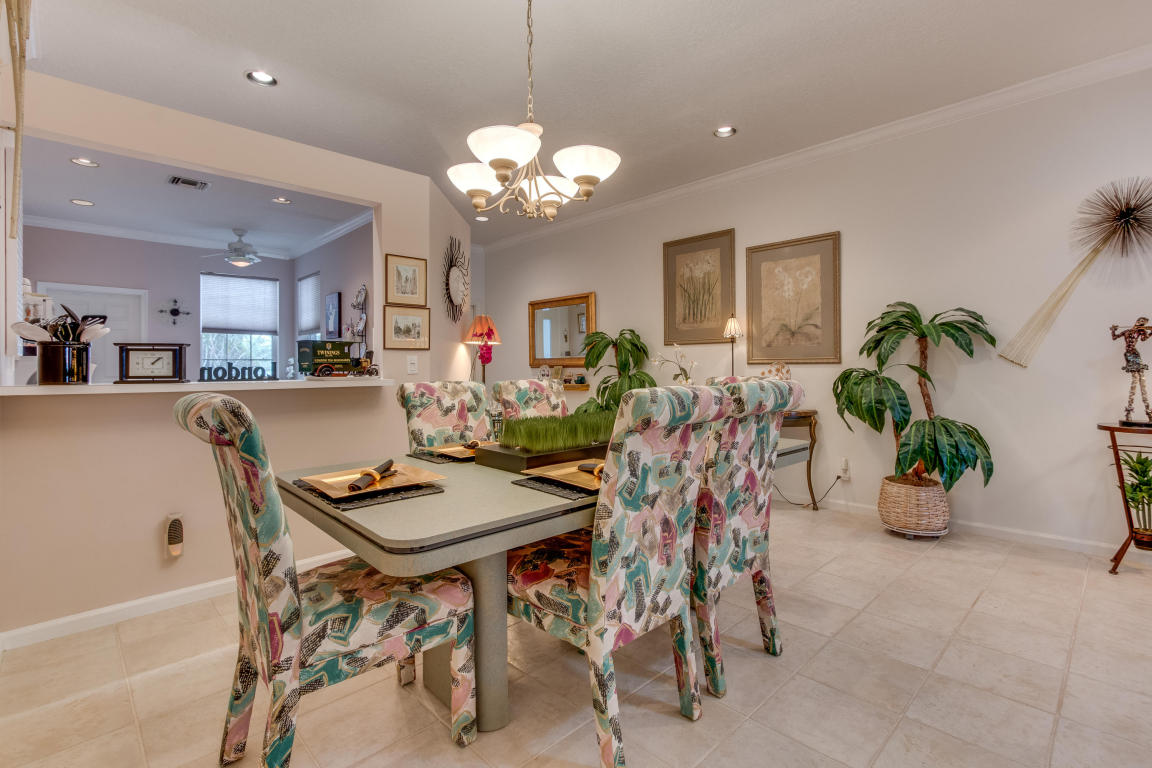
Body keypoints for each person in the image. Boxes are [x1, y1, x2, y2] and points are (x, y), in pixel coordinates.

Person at [1111, 317, 1152, 424]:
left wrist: (1150, 332)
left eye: (1143, 323)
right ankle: (1129, 411)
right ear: (1137, 321)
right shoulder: (1127, 331)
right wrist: (1113, 330)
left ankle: (1148, 411)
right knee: (1135, 380)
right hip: (1129, 354)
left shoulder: (1140, 332)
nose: (1142, 324)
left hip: (1136, 354)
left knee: (1142, 380)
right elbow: (1114, 337)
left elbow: (1144, 339)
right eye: (1141, 322)